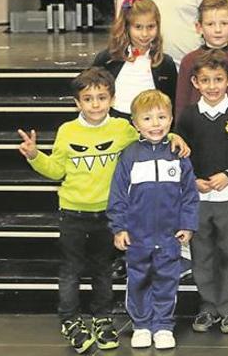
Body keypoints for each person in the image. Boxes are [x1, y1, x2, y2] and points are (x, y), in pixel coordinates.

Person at [16, 68, 142, 354]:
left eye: (101, 97)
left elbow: (149, 142)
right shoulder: (68, 131)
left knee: (102, 270)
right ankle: (70, 320)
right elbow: (57, 169)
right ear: (77, 103)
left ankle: (102, 318)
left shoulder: (123, 130)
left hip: (109, 215)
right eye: (88, 98)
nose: (95, 104)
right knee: (71, 271)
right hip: (73, 213)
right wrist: (36, 156)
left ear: (112, 98)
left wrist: (174, 139)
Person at [175, 50, 228, 335]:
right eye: (205, 80)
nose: (212, 86)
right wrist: (193, 179)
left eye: (218, 79)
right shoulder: (188, 117)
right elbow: (178, 155)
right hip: (198, 199)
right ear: (195, 83)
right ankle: (208, 306)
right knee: (203, 254)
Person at [108, 90, 199, 350]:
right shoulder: (129, 156)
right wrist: (119, 227)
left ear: (171, 120)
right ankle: (141, 324)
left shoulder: (179, 156)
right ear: (136, 124)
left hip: (169, 235)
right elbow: (118, 196)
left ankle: (162, 325)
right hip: (138, 235)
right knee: (138, 279)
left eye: (162, 117)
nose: (155, 124)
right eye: (147, 119)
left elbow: (189, 195)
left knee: (167, 280)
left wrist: (187, 224)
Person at [175, 0, 228, 126]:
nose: (218, 30)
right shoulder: (189, 61)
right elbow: (181, 105)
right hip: (198, 132)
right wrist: (180, 137)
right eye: (210, 24)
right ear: (199, 27)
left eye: (224, 23)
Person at [94, 0, 177, 120]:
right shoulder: (108, 59)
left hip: (150, 127)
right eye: (138, 27)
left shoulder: (165, 63)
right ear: (126, 27)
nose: (145, 34)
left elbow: (171, 102)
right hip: (114, 122)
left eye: (151, 27)